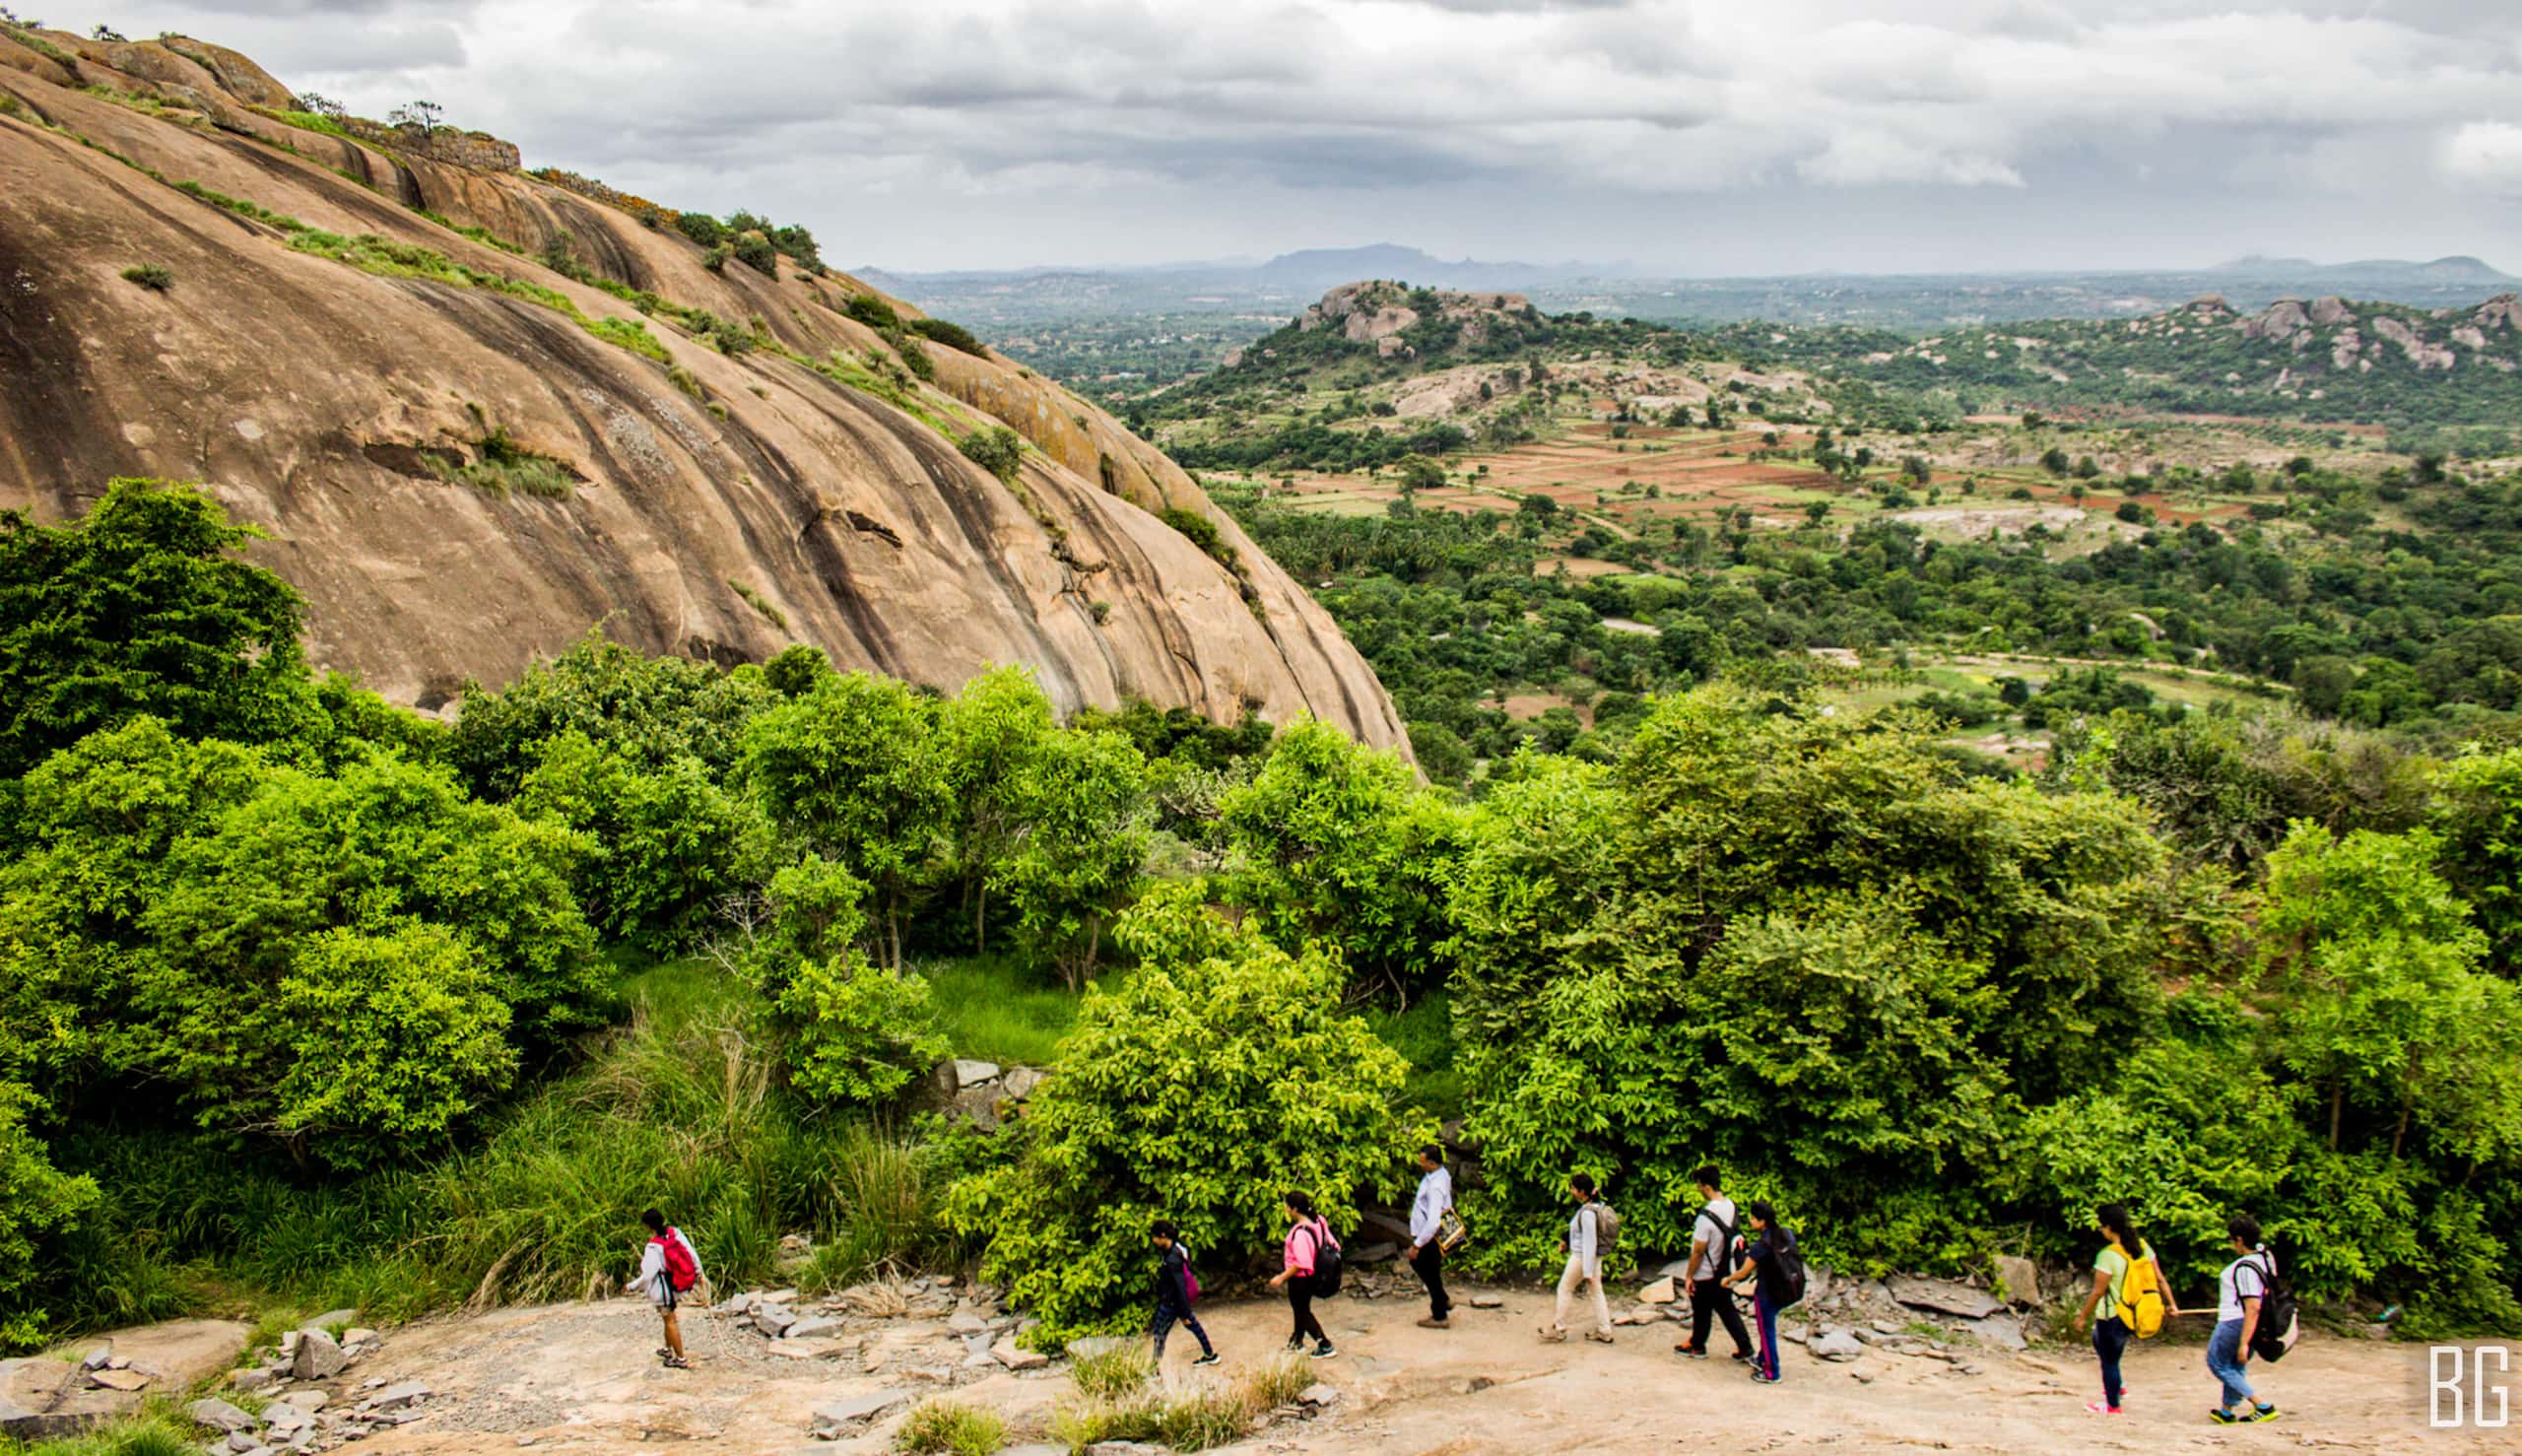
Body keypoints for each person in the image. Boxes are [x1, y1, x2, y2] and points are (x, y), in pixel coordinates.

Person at [2071, 1203, 2176, 1415]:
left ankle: (2112, 1405)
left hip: (2112, 1314)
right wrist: (2172, 1303)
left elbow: (2097, 1292)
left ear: (2109, 1227)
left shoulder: (2108, 1255)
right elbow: (2160, 1279)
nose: (2101, 1230)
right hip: (2134, 1311)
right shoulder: (2143, 1247)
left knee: (2109, 1361)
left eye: (2101, 1226)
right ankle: (2118, 1386)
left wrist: (2082, 1316)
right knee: (2102, 1345)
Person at [1673, 1164, 1754, 1364]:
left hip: (1707, 1271)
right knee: (1726, 1308)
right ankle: (1745, 1347)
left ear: (1706, 1186)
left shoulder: (1705, 1217)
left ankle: (1697, 1345)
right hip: (1725, 1269)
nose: (1698, 1189)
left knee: (1701, 1309)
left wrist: (1689, 1275)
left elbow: (1698, 1251)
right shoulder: (1731, 1205)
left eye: (1699, 1185)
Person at [2208, 1216, 2281, 1424]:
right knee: (2235, 1365)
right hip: (2249, 1321)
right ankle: (2226, 1411)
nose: (2232, 1244)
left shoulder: (2245, 1267)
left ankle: (2262, 1405)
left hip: (2235, 1320)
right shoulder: (2265, 1257)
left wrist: (2244, 1342)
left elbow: (2252, 1305)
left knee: (2217, 1363)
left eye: (2232, 1240)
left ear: (2239, 1240)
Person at [1720, 1200, 1794, 1383]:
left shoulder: (1761, 1246)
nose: (1750, 1221)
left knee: (1766, 1331)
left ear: (1762, 1221)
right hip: (1786, 1287)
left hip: (1767, 1292)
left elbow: (1743, 1272)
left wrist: (1727, 1280)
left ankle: (1771, 1372)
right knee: (1767, 1328)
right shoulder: (1785, 1234)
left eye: (1753, 1218)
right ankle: (1762, 1358)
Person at [1540, 1172, 1614, 1345]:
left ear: (1582, 1191)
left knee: (1565, 1288)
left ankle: (1559, 1329)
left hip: (1582, 1258)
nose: (1571, 1191)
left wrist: (1587, 1271)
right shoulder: (1595, 1206)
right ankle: (1604, 1330)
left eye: (1573, 1188)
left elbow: (1589, 1241)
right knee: (1596, 1292)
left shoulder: (1587, 1213)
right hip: (1594, 1258)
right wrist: (1566, 1241)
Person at [1267, 1192, 1339, 1359]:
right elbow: (1332, 1242)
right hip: (1315, 1273)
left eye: (1287, 1206)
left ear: (1294, 1209)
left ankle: (1324, 1344)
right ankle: (1297, 1340)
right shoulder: (1319, 1221)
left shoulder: (1300, 1233)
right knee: (1301, 1308)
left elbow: (1301, 1262)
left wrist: (1281, 1277)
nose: (1285, 1209)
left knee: (1302, 1311)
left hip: (1300, 1278)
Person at [635, 1208, 703, 1369]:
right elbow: (691, 1253)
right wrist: (699, 1272)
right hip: (680, 1282)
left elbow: (648, 1274)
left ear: (648, 1226)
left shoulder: (653, 1246)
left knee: (670, 1320)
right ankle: (667, 1349)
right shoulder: (676, 1233)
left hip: (664, 1290)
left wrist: (632, 1286)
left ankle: (680, 1359)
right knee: (667, 1318)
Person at [1149, 1220, 1220, 1367]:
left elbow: (1180, 1287)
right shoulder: (1175, 1249)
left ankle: (1154, 1367)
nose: (1153, 1240)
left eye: (1155, 1237)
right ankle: (1210, 1355)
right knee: (1193, 1326)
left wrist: (1184, 1312)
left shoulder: (1172, 1259)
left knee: (1159, 1333)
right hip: (1175, 1301)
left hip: (1171, 1303)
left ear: (1163, 1236)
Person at [1406, 1144, 1454, 1329]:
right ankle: (1442, 1299)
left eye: (1423, 1162)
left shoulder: (1435, 1186)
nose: (1420, 1164)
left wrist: (1417, 1244)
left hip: (1430, 1234)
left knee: (1425, 1268)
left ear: (1432, 1163)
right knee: (1431, 1270)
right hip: (1429, 1232)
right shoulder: (1439, 1174)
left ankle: (1439, 1314)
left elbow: (1433, 1220)